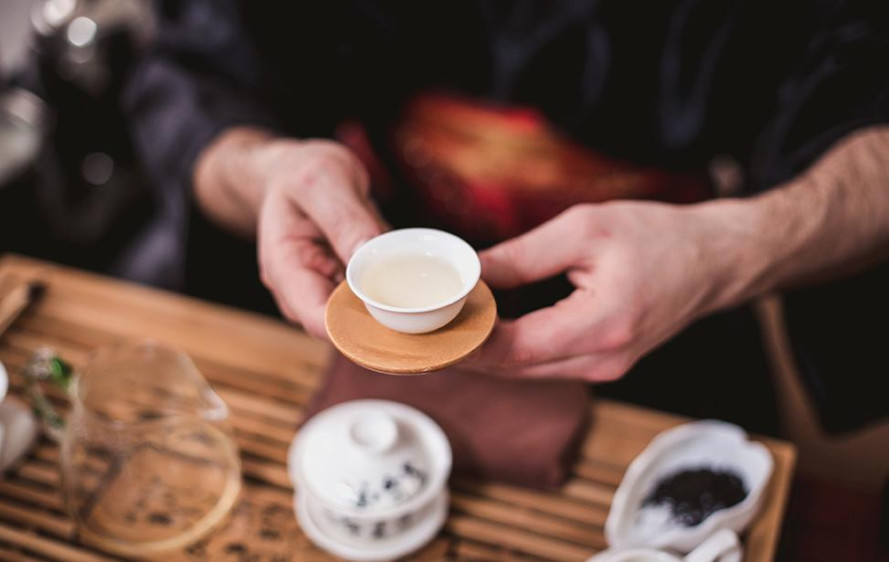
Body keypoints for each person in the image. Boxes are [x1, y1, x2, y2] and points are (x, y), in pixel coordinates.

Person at [124, 0, 889, 434]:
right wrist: (264, 172)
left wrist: (734, 246)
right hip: (380, 263)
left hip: (666, 283)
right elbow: (195, 75)